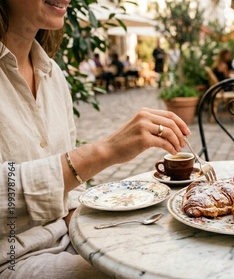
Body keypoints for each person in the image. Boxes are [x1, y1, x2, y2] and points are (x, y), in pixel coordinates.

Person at [0, 1, 191, 278]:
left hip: (69, 241)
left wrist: (110, 232)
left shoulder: (53, 75)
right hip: (11, 260)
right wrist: (105, 151)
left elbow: (70, 196)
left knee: (167, 249)